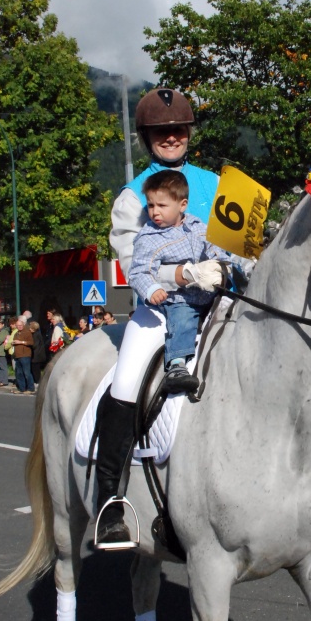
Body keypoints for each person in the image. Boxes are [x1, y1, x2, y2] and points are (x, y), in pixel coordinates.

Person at [94, 87, 222, 550]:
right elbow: (133, 263)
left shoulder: (216, 182)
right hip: (159, 308)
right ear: (147, 138)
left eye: (178, 130)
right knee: (126, 383)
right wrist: (186, 273)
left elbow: (239, 243)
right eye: (161, 132)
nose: (171, 138)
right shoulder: (133, 197)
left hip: (221, 302)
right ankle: (109, 502)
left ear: (188, 133)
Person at [128, 170, 228, 391]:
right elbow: (138, 272)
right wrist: (152, 288)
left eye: (162, 206)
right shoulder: (148, 238)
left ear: (182, 205)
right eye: (151, 205)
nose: (155, 212)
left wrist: (220, 261)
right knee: (183, 318)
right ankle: (176, 365)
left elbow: (213, 245)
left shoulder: (197, 225)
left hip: (208, 294)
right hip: (178, 298)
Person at [12, 317, 35, 394]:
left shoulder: (27, 332)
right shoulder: (16, 333)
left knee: (27, 373)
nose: (19, 327)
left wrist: (21, 342)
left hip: (25, 355)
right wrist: (13, 343)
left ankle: (30, 388)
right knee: (19, 373)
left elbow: (31, 343)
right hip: (17, 355)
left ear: (23, 325)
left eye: (21, 325)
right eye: (18, 325)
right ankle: (22, 388)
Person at [29, 320, 46, 385]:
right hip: (38, 354)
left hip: (36, 355)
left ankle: (37, 382)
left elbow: (34, 345)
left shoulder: (35, 335)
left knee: (35, 369)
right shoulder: (37, 334)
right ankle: (37, 381)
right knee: (35, 369)